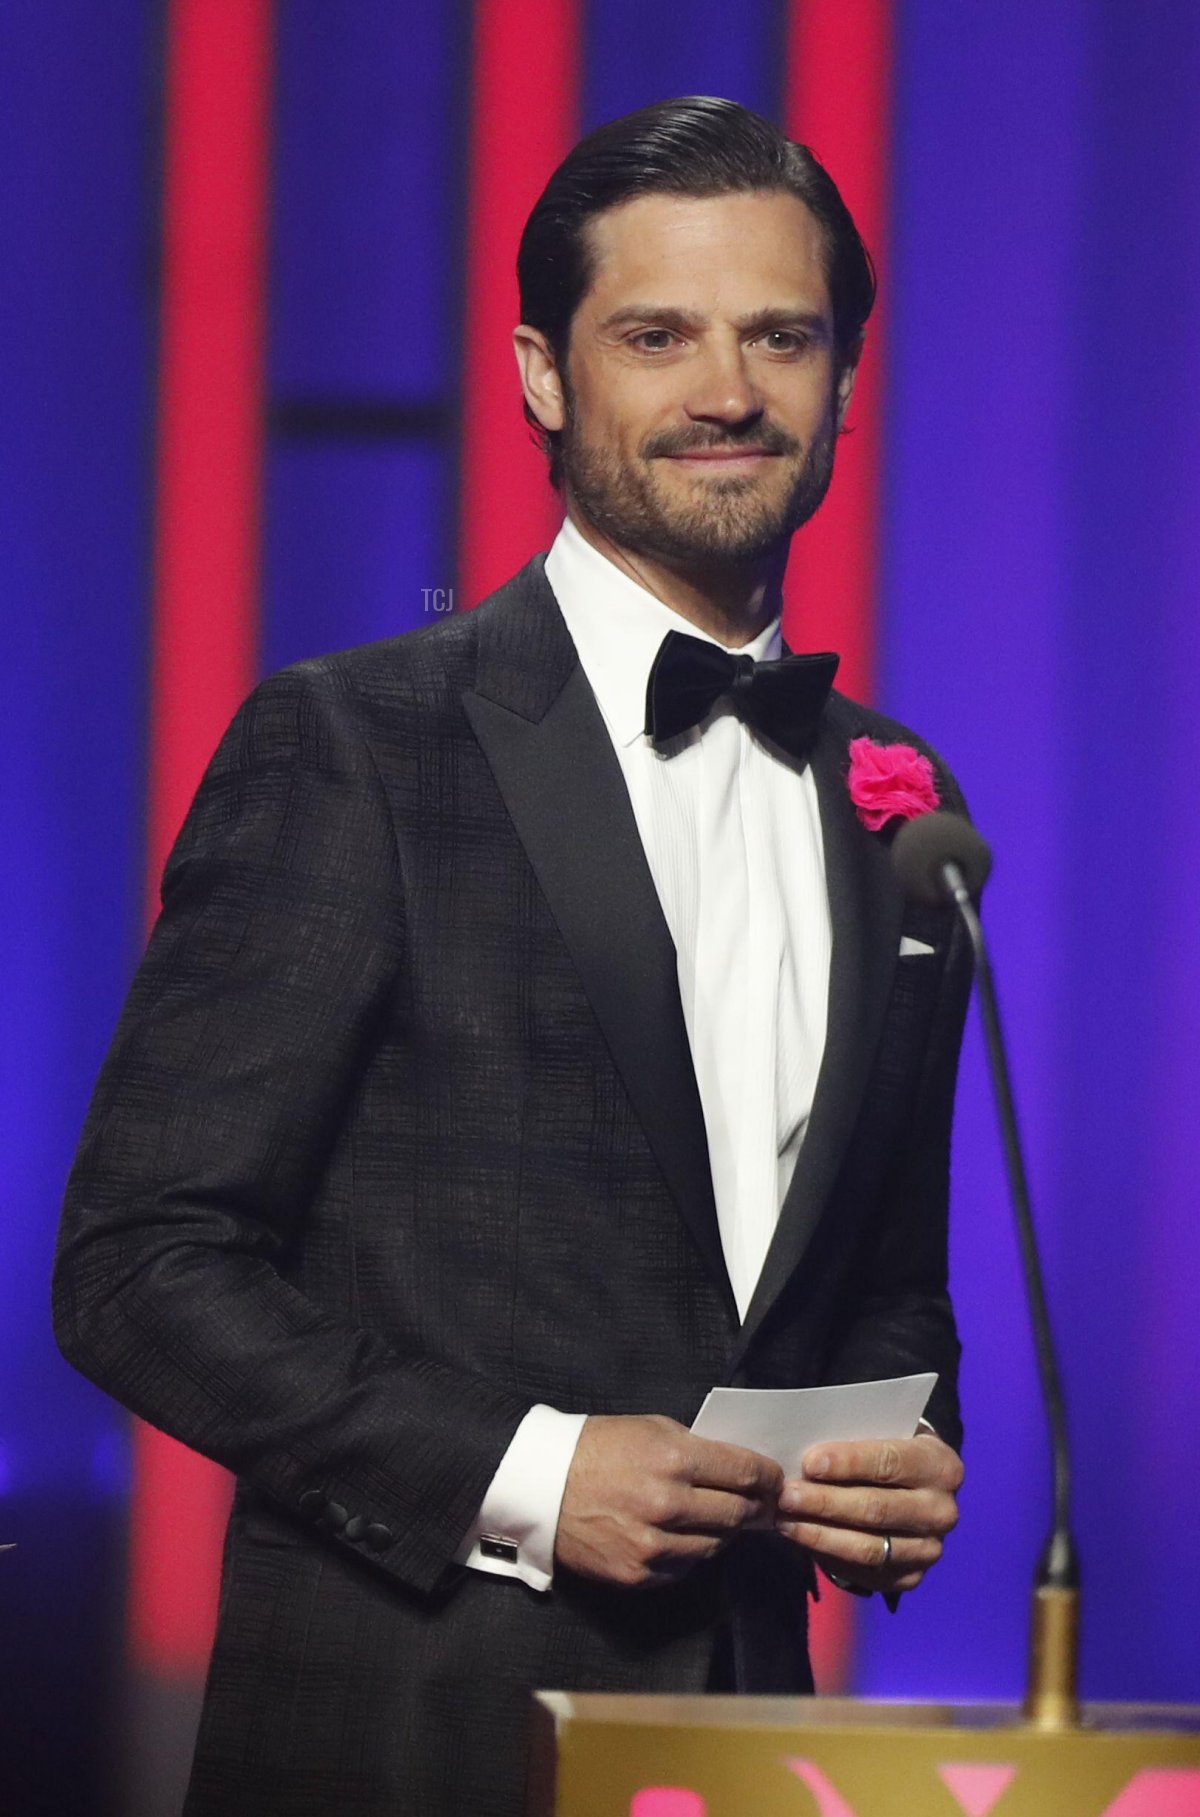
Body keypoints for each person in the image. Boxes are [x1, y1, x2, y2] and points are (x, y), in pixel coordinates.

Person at [53, 96, 970, 1817]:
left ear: (846, 379)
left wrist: (909, 1458)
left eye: (782, 335)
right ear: (546, 376)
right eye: (657, 335)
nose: (726, 391)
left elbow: (887, 1277)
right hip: (404, 1735)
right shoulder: (357, 744)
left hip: (749, 1748)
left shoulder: (896, 799)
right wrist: (528, 1470)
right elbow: (137, 1263)